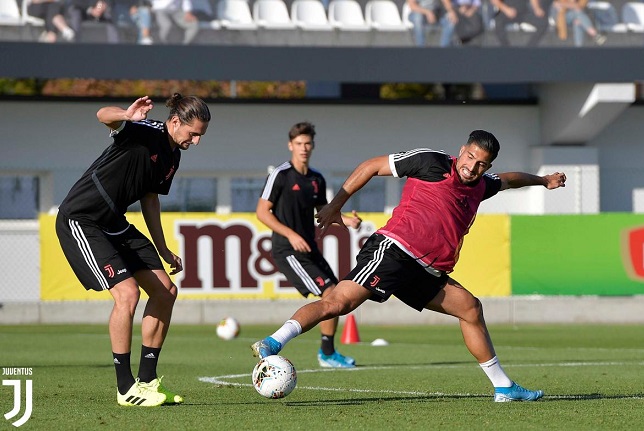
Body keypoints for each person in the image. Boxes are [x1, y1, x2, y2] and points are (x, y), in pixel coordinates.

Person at [252, 130, 567, 402]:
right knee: (338, 303)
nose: (473, 166)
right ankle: (272, 342)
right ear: (462, 151)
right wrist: (336, 206)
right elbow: (372, 166)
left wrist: (543, 181)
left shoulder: (482, 185)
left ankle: (503, 387)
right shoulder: (432, 162)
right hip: (394, 252)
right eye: (471, 156)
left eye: (482, 163)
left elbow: (510, 180)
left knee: (470, 308)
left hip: (426, 270)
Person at [55, 94, 210, 406]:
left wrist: (163, 248)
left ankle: (149, 381)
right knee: (127, 294)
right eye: (193, 133)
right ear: (176, 121)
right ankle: (126, 388)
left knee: (166, 291)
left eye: (201, 136)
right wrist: (126, 114)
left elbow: (150, 199)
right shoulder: (144, 130)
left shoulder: (173, 156)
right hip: (83, 220)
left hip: (114, 222)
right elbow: (102, 114)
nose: (196, 141)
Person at [256, 122, 363, 368]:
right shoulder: (280, 175)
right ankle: (324, 353)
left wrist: (347, 220)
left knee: (336, 293)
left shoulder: (316, 179)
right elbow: (262, 212)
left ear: (312, 146)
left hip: (309, 250)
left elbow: (322, 213)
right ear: (290, 145)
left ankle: (327, 352)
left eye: (308, 144)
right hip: (288, 250)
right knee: (330, 293)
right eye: (299, 144)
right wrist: (291, 234)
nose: (304, 148)